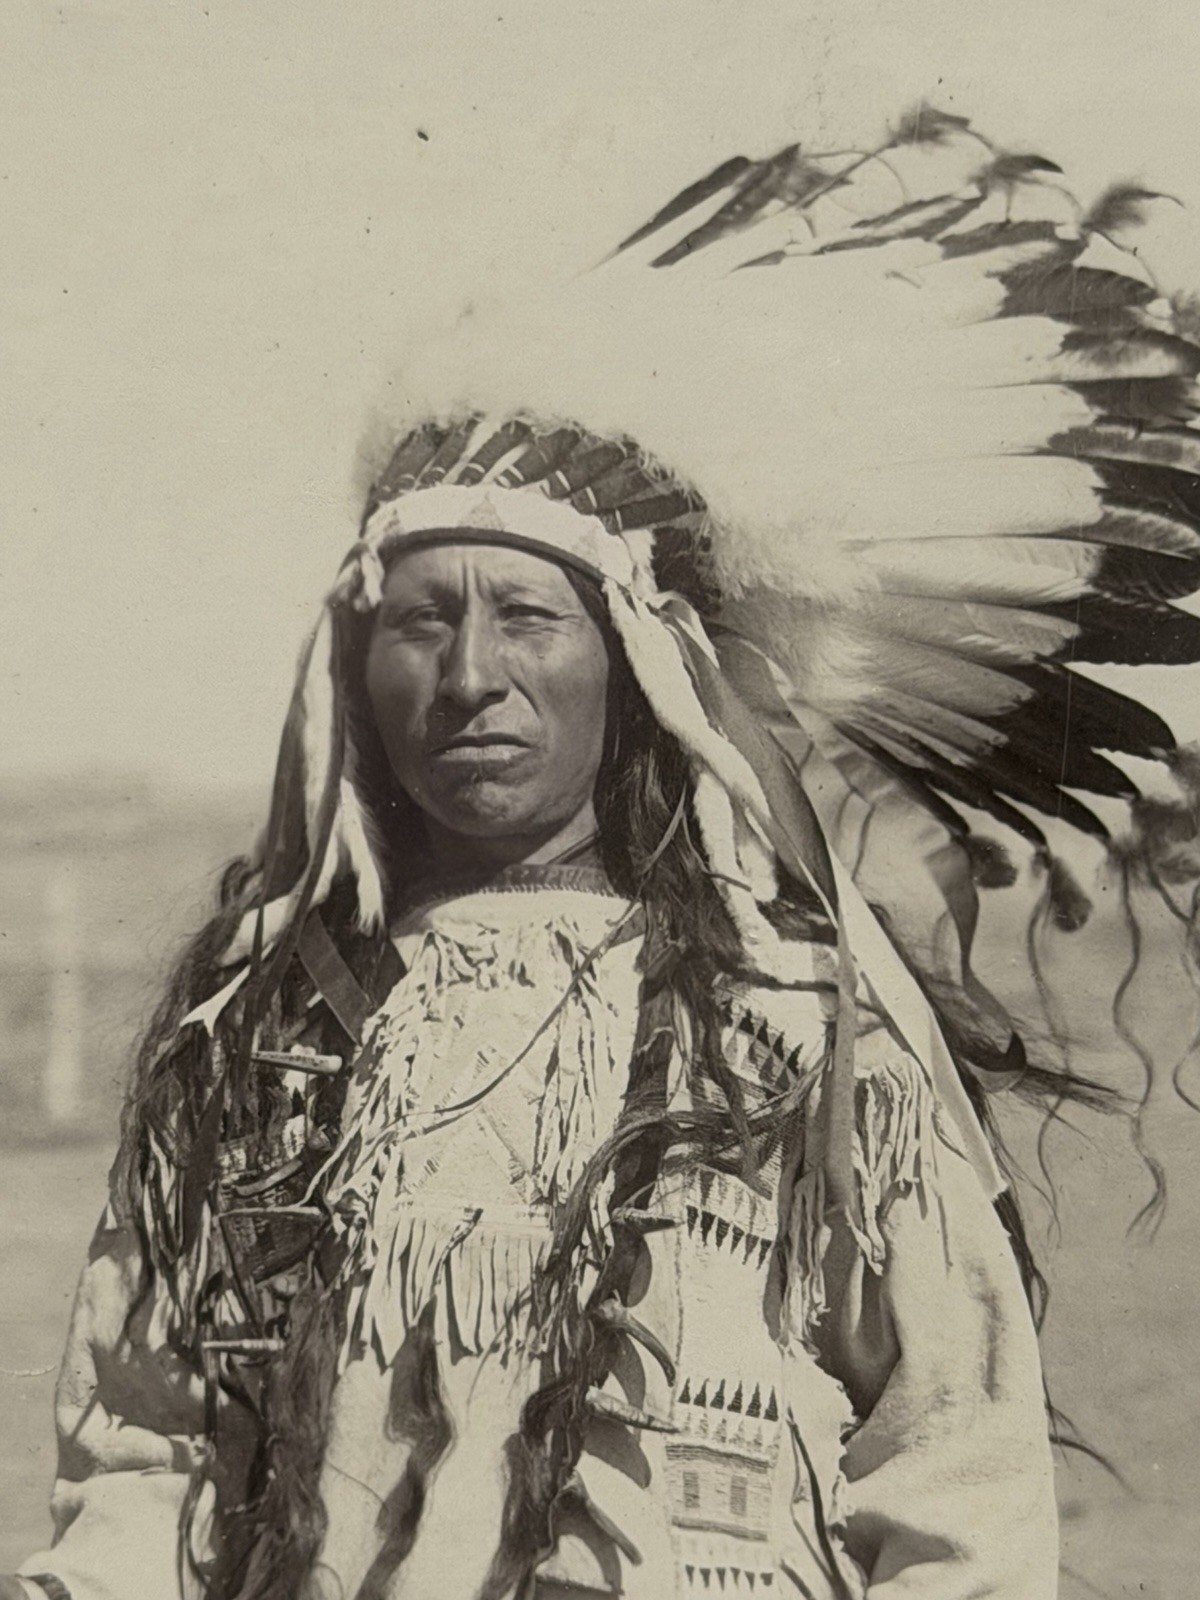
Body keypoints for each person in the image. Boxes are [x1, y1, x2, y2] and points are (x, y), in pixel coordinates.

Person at [7, 110, 1200, 1600]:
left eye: (527, 617)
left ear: (634, 668)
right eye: (421, 621)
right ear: (355, 669)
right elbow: (145, 1458)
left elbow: (956, 1468)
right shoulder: (258, 1036)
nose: (471, 677)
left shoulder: (798, 1027)